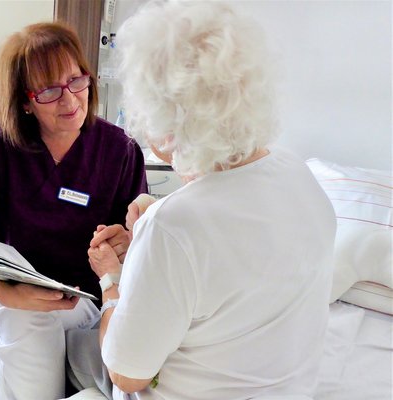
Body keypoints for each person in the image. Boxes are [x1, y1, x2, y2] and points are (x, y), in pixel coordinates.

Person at [87, 1, 336, 399]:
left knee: (73, 354)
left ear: (163, 115)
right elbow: (233, 242)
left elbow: (126, 374)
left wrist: (111, 278)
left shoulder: (173, 227)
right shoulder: (299, 175)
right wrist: (155, 223)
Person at [0, 21, 147, 400]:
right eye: (50, 91)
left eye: (76, 81)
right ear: (24, 101)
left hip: (81, 293)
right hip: (1, 281)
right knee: (28, 321)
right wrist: (6, 293)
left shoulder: (119, 150)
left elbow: (139, 236)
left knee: (7, 349)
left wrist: (126, 240)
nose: (70, 100)